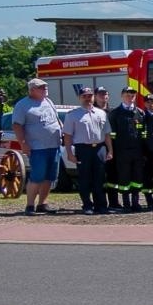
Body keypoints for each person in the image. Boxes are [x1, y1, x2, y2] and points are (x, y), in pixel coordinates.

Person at [11, 77, 65, 216]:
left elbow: (56, 118)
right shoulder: (23, 105)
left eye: (45, 87)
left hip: (54, 145)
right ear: (32, 90)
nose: (45, 89)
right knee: (37, 176)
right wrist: (23, 143)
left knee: (49, 176)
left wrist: (61, 129)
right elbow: (17, 125)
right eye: (41, 87)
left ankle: (42, 203)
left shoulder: (48, 101)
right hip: (37, 147)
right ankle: (30, 205)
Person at [61, 85, 112, 215]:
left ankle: (101, 205)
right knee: (84, 178)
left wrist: (110, 150)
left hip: (99, 148)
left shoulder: (101, 113)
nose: (87, 98)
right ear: (79, 98)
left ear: (93, 97)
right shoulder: (72, 115)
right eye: (84, 96)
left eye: (90, 96)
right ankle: (87, 205)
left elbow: (107, 134)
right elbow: (67, 136)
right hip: (83, 149)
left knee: (100, 178)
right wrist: (69, 153)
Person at [107, 86, 148, 213]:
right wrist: (113, 152)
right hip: (122, 152)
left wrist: (144, 151)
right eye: (127, 95)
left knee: (137, 177)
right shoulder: (115, 114)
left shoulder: (140, 113)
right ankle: (126, 203)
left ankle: (135, 202)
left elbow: (143, 134)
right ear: (122, 96)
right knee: (124, 178)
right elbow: (111, 136)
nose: (130, 98)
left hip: (137, 151)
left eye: (132, 96)